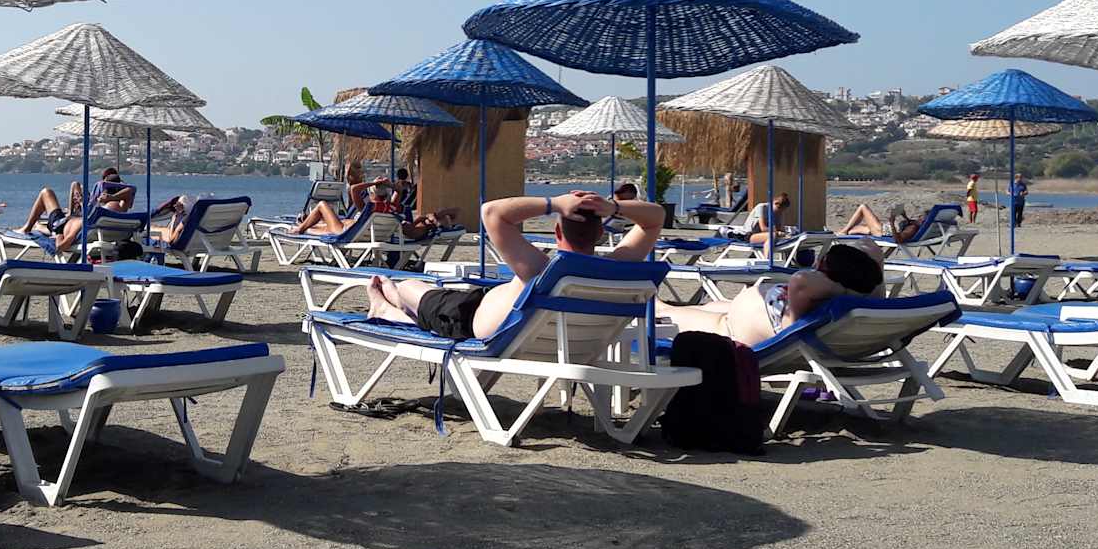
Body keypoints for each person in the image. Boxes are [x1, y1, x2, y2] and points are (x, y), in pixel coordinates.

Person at [364, 190, 665, 340]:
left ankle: (387, 306)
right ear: (600, 234)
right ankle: (393, 303)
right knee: (416, 293)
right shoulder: (616, 270)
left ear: (557, 232)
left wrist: (553, 203)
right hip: (563, 338)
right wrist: (614, 206)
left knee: (408, 285)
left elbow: (491, 212)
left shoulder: (541, 270)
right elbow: (656, 219)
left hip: (466, 318)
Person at [661, 242, 883, 348]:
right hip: (737, 313)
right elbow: (873, 261)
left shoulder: (816, 289)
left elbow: (800, 279)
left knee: (663, 311)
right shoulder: (864, 296)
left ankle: (648, 299)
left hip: (730, 329)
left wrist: (838, 284)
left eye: (821, 261)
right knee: (710, 305)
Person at [837, 202, 919, 242]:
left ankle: (843, 231)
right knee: (853, 229)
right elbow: (905, 227)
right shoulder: (914, 224)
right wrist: (905, 216)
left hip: (881, 231)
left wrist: (892, 223)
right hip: (883, 228)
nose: (919, 218)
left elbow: (898, 239)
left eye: (921, 218)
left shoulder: (913, 228)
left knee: (863, 207)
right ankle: (842, 233)